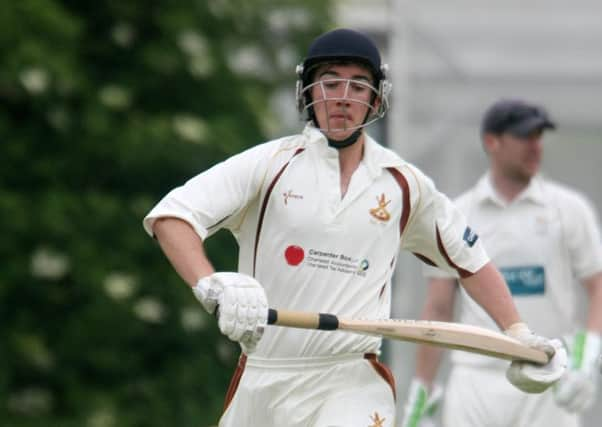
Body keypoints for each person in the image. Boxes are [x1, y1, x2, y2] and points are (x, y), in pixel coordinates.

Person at [143, 30, 566, 427]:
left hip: (350, 378)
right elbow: (172, 217)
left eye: (358, 86)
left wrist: (518, 335)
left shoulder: (404, 184)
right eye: (330, 83)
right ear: (307, 92)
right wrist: (213, 286)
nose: (343, 98)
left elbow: (470, 261)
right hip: (263, 377)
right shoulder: (270, 164)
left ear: (376, 98)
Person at [401, 99, 602, 427]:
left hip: (548, 374)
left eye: (539, 137)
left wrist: (588, 356)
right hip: (475, 379)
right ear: (492, 142)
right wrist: (421, 391)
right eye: (525, 136)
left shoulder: (569, 209)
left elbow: (598, 285)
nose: (536, 146)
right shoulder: (458, 213)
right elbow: (438, 308)